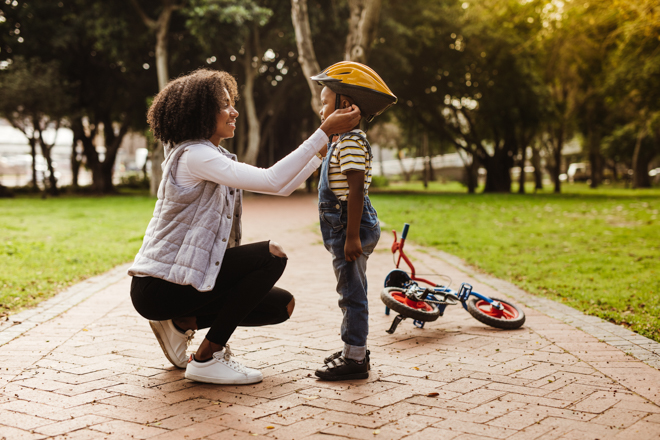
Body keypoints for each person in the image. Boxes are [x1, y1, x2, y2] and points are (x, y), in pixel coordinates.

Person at [128, 68, 360, 385]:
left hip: (180, 283)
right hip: (158, 286)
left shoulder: (210, 154)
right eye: (225, 104)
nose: (234, 111)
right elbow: (272, 179)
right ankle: (207, 358)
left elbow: (284, 186)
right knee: (271, 256)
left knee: (281, 306)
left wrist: (324, 145)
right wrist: (322, 132)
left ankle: (182, 322)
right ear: (201, 112)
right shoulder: (195, 156)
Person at [310, 62, 397, 380]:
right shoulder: (338, 141)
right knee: (352, 287)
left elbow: (357, 190)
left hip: (351, 226)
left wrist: (351, 237)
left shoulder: (350, 142)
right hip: (347, 225)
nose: (321, 111)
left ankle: (355, 358)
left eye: (324, 103)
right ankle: (352, 348)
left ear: (344, 105)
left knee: (352, 293)